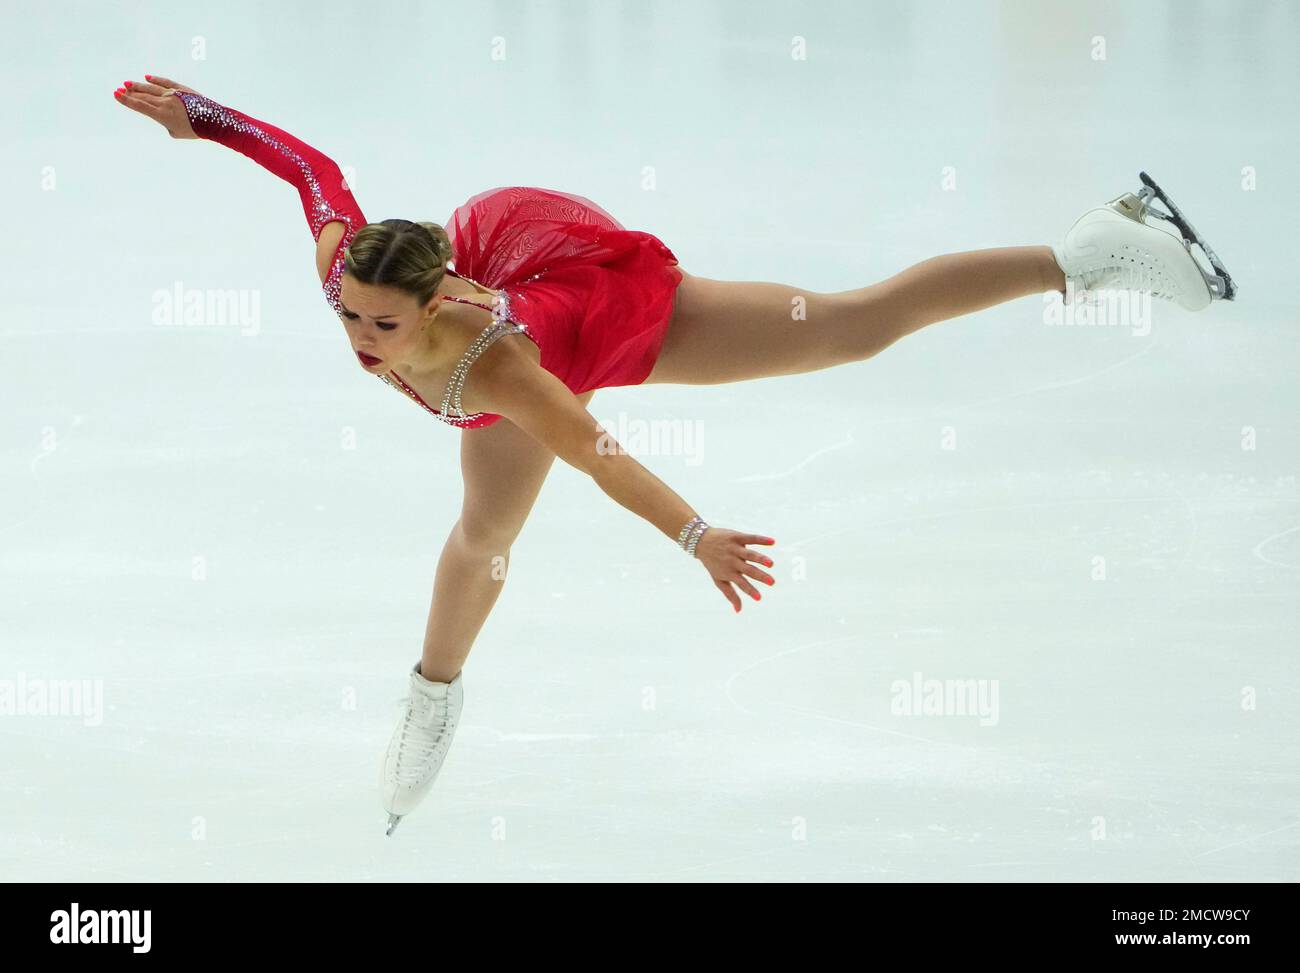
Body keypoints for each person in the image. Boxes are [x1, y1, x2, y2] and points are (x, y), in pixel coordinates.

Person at [113, 75, 1235, 835]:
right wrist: (200, 116)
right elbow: (309, 167)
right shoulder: (351, 269)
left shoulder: (506, 376)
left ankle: (1089, 252)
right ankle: (432, 696)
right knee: (484, 532)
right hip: (509, 271)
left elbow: (600, 454)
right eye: (350, 316)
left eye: (381, 325)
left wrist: (697, 537)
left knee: (849, 327)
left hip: (593, 314)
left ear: (439, 298)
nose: (360, 341)